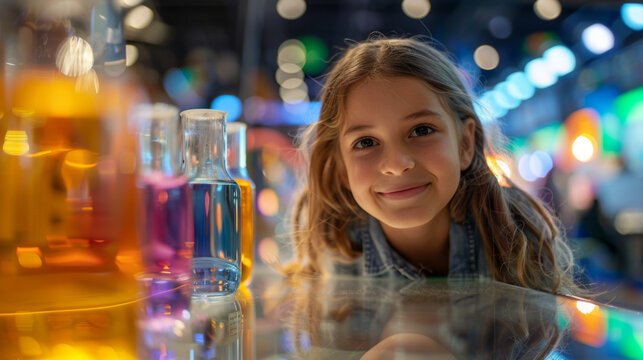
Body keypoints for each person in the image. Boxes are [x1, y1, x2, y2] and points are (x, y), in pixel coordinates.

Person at [283, 35, 581, 295]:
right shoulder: (335, 247)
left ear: (464, 144)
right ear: (340, 168)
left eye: (422, 130)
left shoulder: (515, 234)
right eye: (365, 142)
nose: (397, 165)